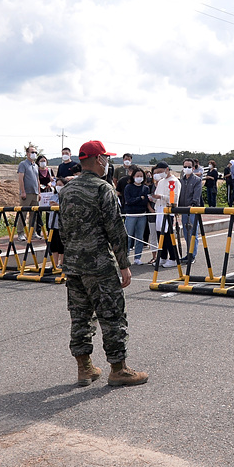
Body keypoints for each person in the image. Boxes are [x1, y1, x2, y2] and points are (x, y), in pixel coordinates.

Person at [58, 140, 148, 387]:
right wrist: (124, 264)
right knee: (112, 315)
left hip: (74, 264)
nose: (108, 162)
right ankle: (118, 369)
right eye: (106, 158)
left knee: (80, 316)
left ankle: (84, 368)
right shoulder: (103, 189)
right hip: (98, 265)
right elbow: (115, 230)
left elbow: (61, 230)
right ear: (98, 160)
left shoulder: (66, 190)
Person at [150, 161, 180, 268]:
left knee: (167, 234)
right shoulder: (161, 181)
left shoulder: (173, 181)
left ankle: (173, 257)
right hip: (159, 209)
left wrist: (161, 197)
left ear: (167, 169)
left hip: (167, 210)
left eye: (160, 171)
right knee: (160, 234)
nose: (158, 174)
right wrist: (153, 198)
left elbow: (173, 198)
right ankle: (162, 256)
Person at [122, 166, 150, 265]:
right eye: (137, 176)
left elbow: (145, 201)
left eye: (141, 176)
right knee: (128, 237)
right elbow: (128, 201)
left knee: (139, 237)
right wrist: (140, 198)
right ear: (133, 176)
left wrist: (141, 199)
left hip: (142, 215)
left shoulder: (145, 188)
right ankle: (126, 257)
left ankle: (137, 257)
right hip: (131, 215)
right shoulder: (128, 187)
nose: (139, 178)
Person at [179, 158, 204, 263]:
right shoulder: (181, 180)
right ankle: (188, 254)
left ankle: (192, 255)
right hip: (183, 210)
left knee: (192, 233)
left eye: (189, 167)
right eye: (185, 167)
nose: (187, 169)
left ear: (193, 168)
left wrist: (193, 205)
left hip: (192, 210)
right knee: (186, 233)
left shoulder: (197, 180)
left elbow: (197, 196)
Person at [17, 145, 41, 238]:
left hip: (35, 192)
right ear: (27, 153)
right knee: (23, 213)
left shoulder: (36, 166)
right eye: (32, 152)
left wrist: (39, 192)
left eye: (35, 152)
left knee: (34, 214)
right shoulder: (23, 164)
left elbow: (37, 179)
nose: (34, 154)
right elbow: (21, 178)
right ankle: (20, 233)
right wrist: (23, 191)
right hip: (26, 192)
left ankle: (33, 232)